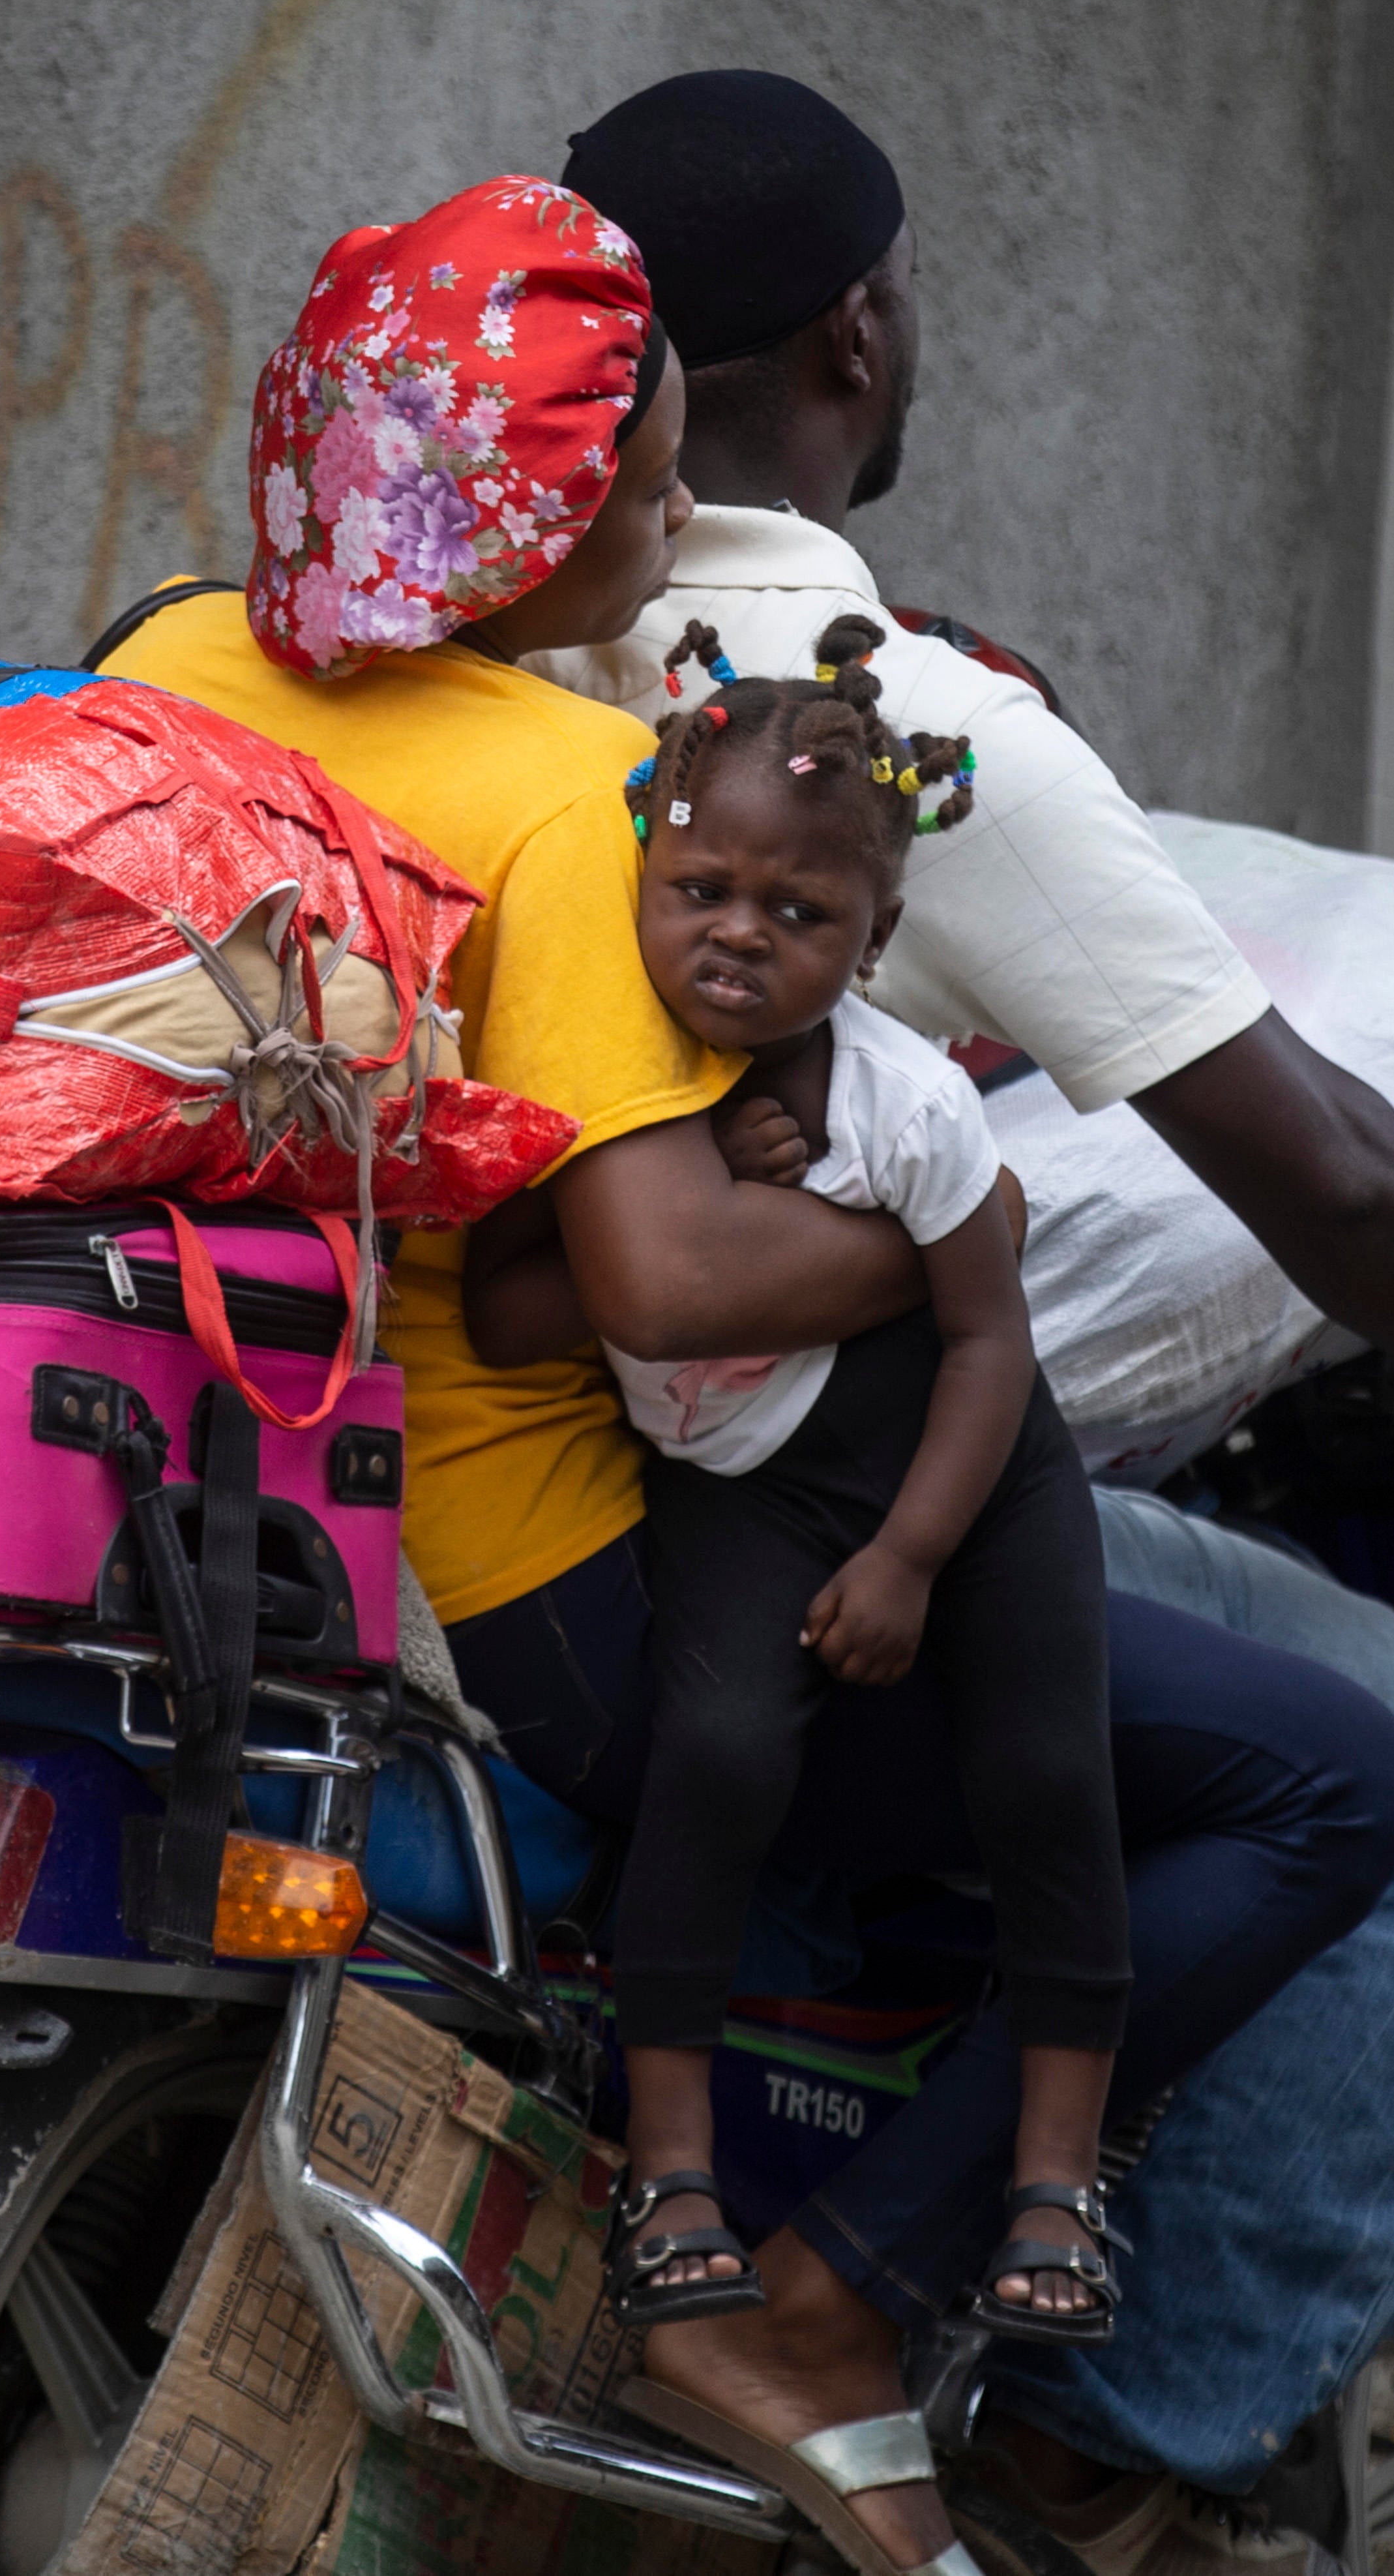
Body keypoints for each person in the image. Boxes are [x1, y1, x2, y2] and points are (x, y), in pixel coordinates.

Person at [103, 175, 1394, 2576]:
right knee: (1337, 1778)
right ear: (545, 517)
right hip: (573, 1589)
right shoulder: (558, 797)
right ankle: (826, 2303)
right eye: (641, 475)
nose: (677, 514)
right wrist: (960, 1248)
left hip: (260, 1486)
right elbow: (671, 1281)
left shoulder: (165, 656)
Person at [545, 70, 1394, 2576]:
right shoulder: (878, 711)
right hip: (754, 1487)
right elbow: (1339, 1174)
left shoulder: (446, 624)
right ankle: (1085, 2458)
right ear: (861, 325)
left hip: (450, 1448)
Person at [462, 623, 1126, 2354]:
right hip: (746, 1486)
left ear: (878, 938)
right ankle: (670, 2175)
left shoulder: (914, 1112)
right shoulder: (625, 1095)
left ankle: (1057, 2176)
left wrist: (914, 1558)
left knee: (1049, 1769)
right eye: (702, 892)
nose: (740, 935)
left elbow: (991, 1339)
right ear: (642, 879)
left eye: (801, 913)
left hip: (960, 1469)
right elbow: (515, 1308)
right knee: (722, 1759)